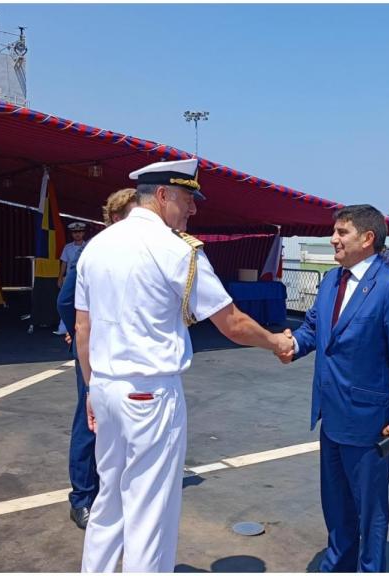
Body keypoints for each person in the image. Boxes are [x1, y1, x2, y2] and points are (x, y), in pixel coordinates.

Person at [75, 159, 295, 572]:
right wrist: (275, 342)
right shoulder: (176, 249)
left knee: (109, 499)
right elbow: (231, 323)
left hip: (104, 387)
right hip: (150, 393)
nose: (193, 210)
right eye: (188, 199)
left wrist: (90, 388)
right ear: (163, 196)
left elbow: (82, 328)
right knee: (150, 507)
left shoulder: (97, 245)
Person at [282, 204, 389, 572]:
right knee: (336, 503)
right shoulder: (332, 279)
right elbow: (313, 327)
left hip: (370, 423)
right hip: (331, 416)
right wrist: (292, 344)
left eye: (342, 232)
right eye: (335, 232)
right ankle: (338, 563)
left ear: (367, 238)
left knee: (369, 510)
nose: (333, 239)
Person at [57, 188, 138, 530]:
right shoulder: (93, 251)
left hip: (129, 349)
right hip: (97, 350)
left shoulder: (138, 252)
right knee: (90, 419)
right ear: (117, 218)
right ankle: (82, 497)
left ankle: (114, 490)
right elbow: (66, 299)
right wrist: (80, 333)